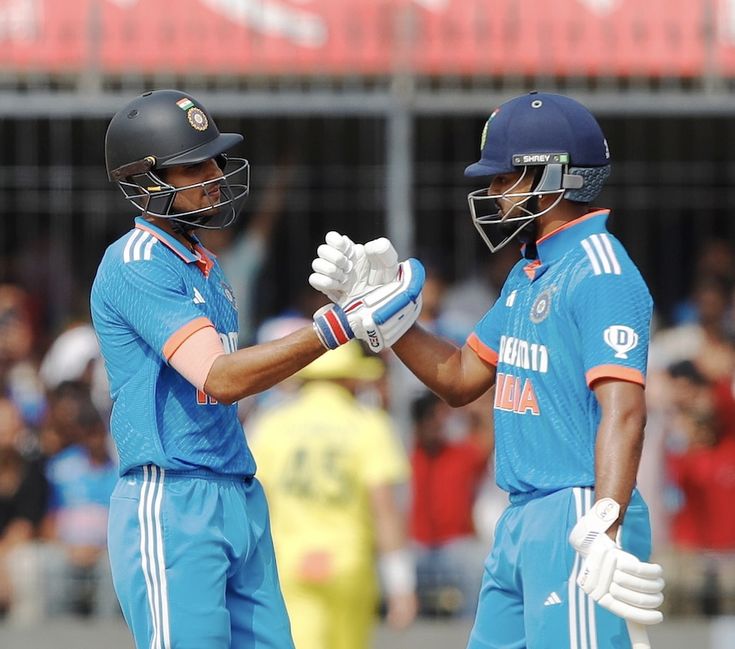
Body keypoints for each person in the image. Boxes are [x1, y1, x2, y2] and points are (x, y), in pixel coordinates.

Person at [309, 92, 666, 648]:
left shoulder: (601, 270)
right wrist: (384, 312)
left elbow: (625, 410)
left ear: (551, 176)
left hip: (578, 509)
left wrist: (606, 524)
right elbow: (458, 378)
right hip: (521, 516)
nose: (493, 194)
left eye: (504, 179)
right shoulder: (530, 274)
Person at [91, 89, 423, 649]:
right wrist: (338, 325)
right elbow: (220, 378)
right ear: (144, 179)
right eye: (193, 164)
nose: (215, 173)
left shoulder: (206, 263)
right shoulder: (137, 260)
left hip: (236, 492)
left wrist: (343, 317)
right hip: (174, 497)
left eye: (214, 159)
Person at [249, 341, 417, 649]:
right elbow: (384, 509)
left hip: (290, 561)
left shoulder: (272, 424)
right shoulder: (370, 425)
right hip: (349, 563)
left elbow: (256, 503)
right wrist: (401, 584)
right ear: (351, 378)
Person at [409, 392, 489, 618]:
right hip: (415, 545)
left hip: (456, 544)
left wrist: (477, 412)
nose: (440, 424)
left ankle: (468, 629)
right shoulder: (406, 453)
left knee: (480, 567)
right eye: (433, 418)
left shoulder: (459, 454)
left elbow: (487, 439)